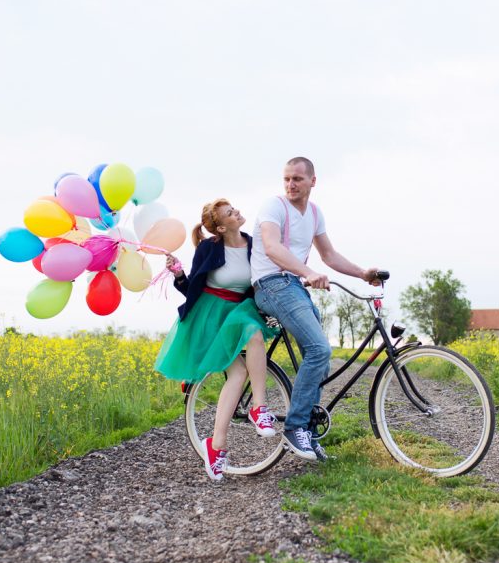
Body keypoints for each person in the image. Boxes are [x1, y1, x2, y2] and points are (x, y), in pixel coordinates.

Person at [251, 157, 380, 462]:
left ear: (312, 181)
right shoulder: (273, 207)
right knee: (320, 349)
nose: (290, 185)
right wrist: (306, 272)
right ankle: (295, 428)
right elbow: (271, 247)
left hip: (293, 285)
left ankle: (306, 429)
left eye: (297, 179)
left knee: (320, 362)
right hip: (271, 283)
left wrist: (362, 273)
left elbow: (330, 254)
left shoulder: (314, 213)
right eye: (286, 179)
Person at [154, 199, 278, 481]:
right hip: (210, 314)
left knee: (255, 335)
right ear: (221, 227)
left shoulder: (253, 243)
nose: (237, 211)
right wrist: (178, 275)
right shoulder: (210, 248)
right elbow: (193, 288)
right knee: (237, 373)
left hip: (240, 311)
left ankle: (259, 407)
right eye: (229, 213)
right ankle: (216, 445)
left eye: (234, 208)